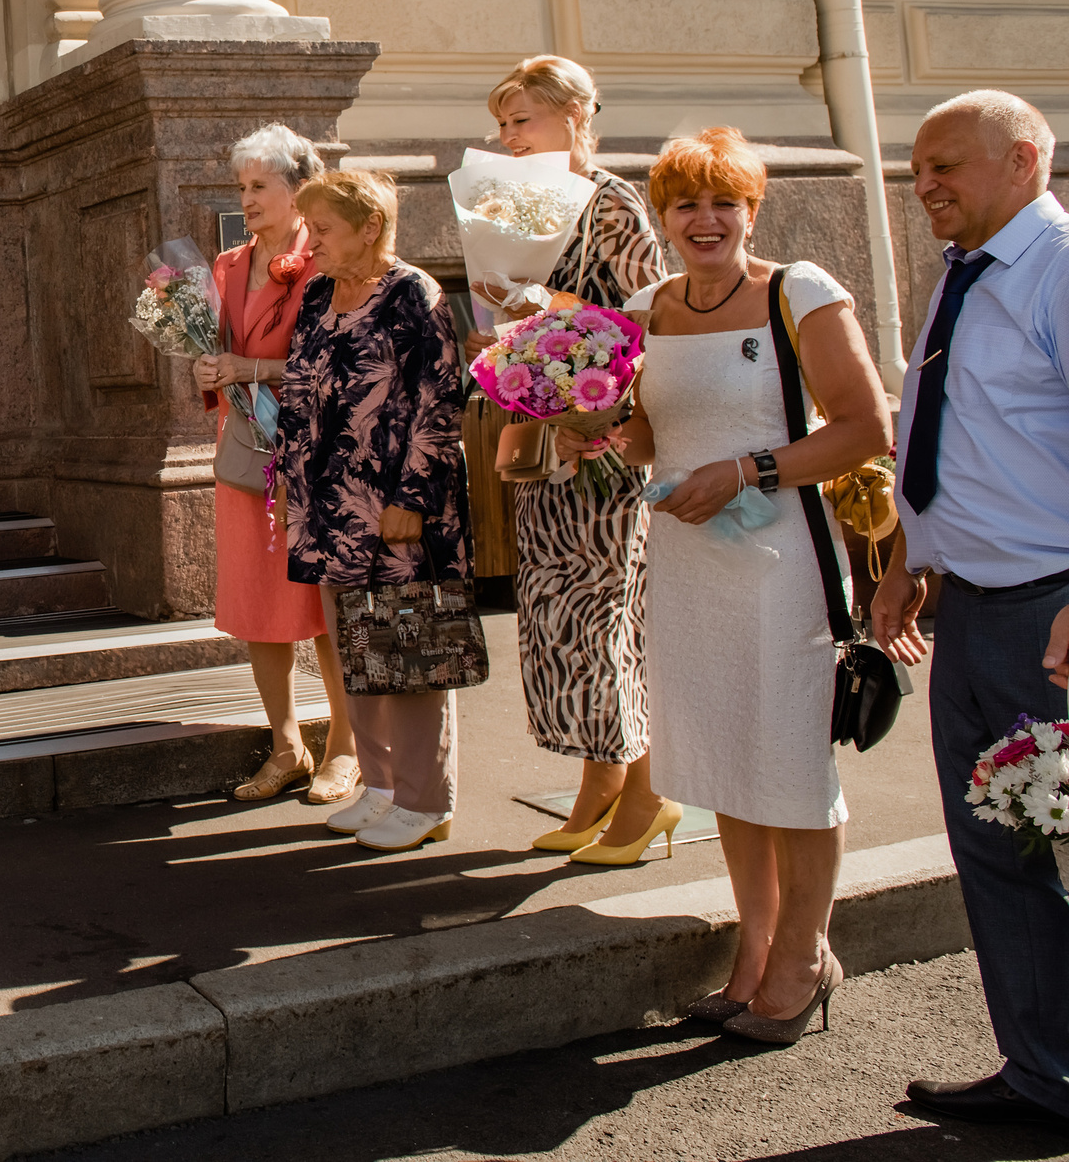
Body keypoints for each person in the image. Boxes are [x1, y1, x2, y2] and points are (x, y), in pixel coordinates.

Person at [597, 126, 893, 1044]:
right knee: (726, 755)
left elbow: (865, 427)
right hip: (688, 561)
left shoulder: (799, 291)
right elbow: (651, 437)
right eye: (686, 202)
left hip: (782, 564)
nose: (706, 218)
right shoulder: (645, 307)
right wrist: (593, 427)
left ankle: (806, 954)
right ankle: (755, 946)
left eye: (724, 201)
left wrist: (746, 469)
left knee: (790, 760)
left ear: (752, 210)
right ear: (663, 216)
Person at [870, 91, 1069, 1127]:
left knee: (1059, 844)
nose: (925, 184)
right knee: (999, 849)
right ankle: (1043, 1072)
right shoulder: (964, 268)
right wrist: (911, 557)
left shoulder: (1057, 266)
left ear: (1024, 158)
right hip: (972, 608)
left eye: (944, 163)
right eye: (916, 169)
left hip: (1053, 615)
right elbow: (953, 430)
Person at [480, 57, 669, 863]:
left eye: (521, 118)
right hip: (549, 438)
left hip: (605, 441)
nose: (508, 136)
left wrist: (548, 311)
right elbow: (529, 313)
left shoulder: (612, 201)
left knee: (608, 617)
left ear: (575, 116)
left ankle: (648, 795)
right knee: (560, 617)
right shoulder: (524, 205)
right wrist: (505, 329)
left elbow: (651, 311)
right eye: (502, 123)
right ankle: (601, 781)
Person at [273, 169, 472, 852]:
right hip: (329, 505)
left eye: (323, 229)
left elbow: (440, 401)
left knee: (408, 652)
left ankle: (425, 800)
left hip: (395, 503)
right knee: (357, 648)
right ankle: (382, 787)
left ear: (371, 227)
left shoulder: (413, 293)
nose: (310, 244)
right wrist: (291, 483)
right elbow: (298, 390)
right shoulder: (318, 292)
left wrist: (412, 498)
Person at [186, 124, 360, 806]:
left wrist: (249, 367)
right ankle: (286, 747)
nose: (248, 199)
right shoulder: (227, 265)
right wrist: (209, 369)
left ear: (299, 188)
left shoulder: (326, 259)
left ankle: (344, 748)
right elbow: (216, 351)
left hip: (312, 454)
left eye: (261, 185)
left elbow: (337, 363)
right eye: (242, 187)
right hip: (246, 457)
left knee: (325, 600)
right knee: (258, 600)